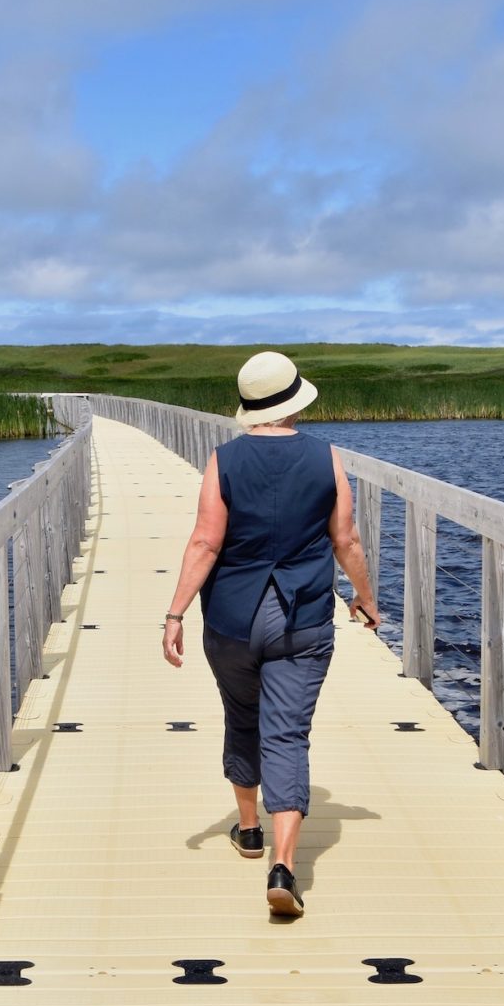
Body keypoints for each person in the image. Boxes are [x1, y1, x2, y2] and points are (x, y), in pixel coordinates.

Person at [161, 351, 380, 917]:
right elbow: (347, 539)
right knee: (287, 735)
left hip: (233, 619)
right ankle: (283, 866)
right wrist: (365, 598)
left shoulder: (223, 461)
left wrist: (176, 612)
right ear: (294, 401)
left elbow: (206, 542)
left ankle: (250, 830)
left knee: (243, 718)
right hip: (302, 617)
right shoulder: (326, 457)